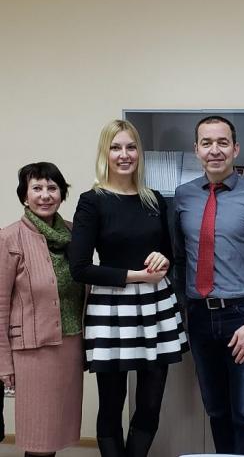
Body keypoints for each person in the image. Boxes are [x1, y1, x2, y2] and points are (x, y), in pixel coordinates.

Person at [68, 120, 188, 457]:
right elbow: (80, 268)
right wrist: (136, 276)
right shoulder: (92, 201)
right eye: (116, 147)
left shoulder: (154, 200)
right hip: (110, 309)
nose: (124, 155)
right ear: (105, 153)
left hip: (156, 307)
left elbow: (171, 255)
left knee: (150, 404)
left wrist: (163, 259)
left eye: (131, 147)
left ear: (139, 152)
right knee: (111, 404)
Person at [172, 115, 244, 456]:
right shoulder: (183, 196)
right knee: (216, 410)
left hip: (242, 317)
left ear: (235, 148)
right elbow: (179, 259)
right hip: (199, 317)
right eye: (207, 143)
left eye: (222, 142)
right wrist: (182, 309)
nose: (215, 150)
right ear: (196, 149)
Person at [0, 162, 85, 456]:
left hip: (71, 346)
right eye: (36, 188)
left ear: (62, 194)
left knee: (57, 433)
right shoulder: (9, 237)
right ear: (25, 196)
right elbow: (0, 304)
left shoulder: (76, 233)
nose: (45, 195)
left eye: (52, 188)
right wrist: (3, 362)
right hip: (32, 352)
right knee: (39, 437)